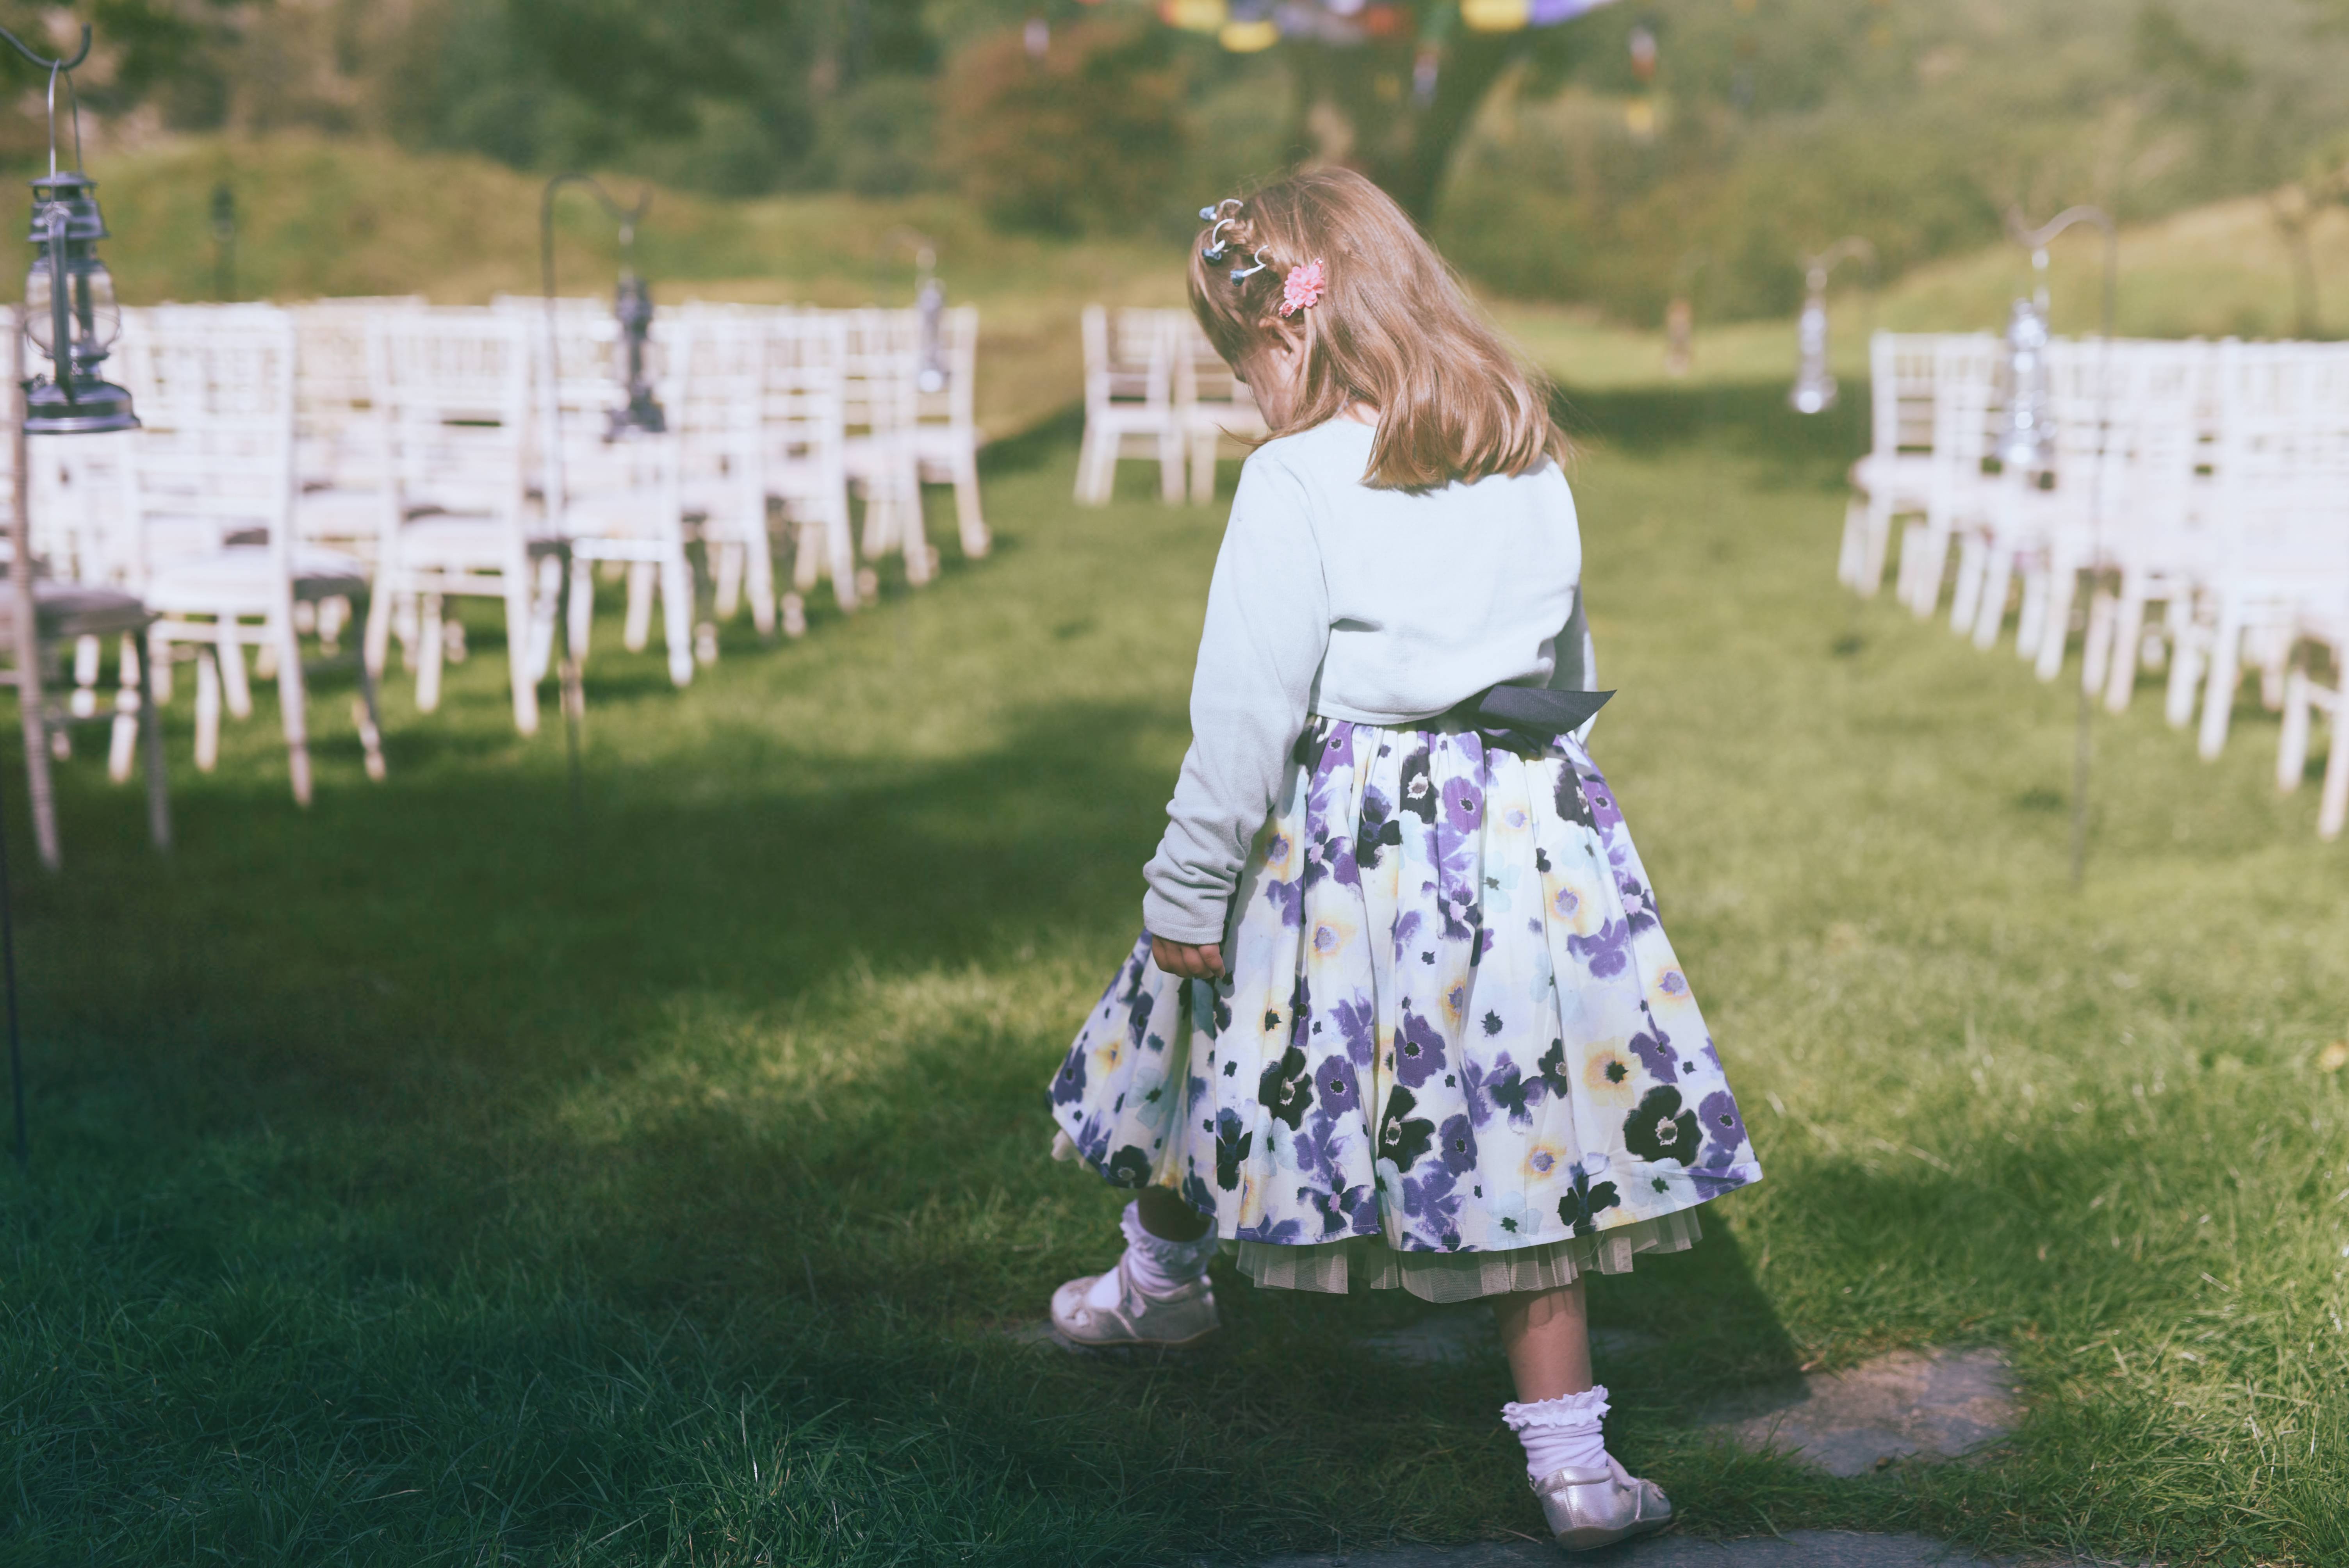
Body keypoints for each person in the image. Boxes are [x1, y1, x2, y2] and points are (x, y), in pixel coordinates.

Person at [1043, 167, 1762, 1553]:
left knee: (1212, 1027)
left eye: (1242, 352)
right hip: (1516, 828)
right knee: (1518, 1116)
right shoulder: (1523, 448)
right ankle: (1574, 1466)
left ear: (1293, 329)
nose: (1247, 382)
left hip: (1343, 835)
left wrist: (1189, 886)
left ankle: (1162, 1278)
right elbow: (1570, 664)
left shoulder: (1295, 480)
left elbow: (1247, 710)